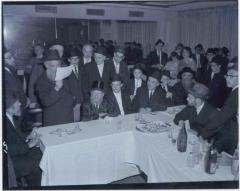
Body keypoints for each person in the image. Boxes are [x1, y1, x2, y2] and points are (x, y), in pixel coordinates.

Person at [193, 65, 238, 155]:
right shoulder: (234, 91)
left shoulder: (236, 94)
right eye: (227, 75)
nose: (227, 78)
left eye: (231, 76)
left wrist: (203, 134)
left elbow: (221, 118)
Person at [4, 93, 42, 187]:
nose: (20, 104)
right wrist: (29, 145)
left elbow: (14, 138)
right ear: (9, 108)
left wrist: (27, 136)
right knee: (36, 164)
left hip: (17, 154)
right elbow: (7, 149)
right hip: (9, 163)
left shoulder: (10, 117)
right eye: (17, 104)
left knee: (40, 153)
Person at [36, 49, 76, 126]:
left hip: (69, 119)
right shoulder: (41, 81)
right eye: (53, 66)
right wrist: (57, 88)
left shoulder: (64, 76)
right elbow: (45, 102)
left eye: (58, 65)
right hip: (53, 122)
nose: (57, 68)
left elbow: (72, 94)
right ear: (46, 65)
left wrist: (73, 99)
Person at [67, 48, 84, 122]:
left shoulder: (82, 69)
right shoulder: (65, 71)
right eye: (72, 59)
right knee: (75, 120)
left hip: (83, 99)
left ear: (79, 59)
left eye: (76, 59)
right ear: (69, 60)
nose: (75, 61)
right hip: (73, 100)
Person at [28, 44, 45, 108]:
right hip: (35, 88)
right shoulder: (32, 60)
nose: (36, 51)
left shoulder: (46, 59)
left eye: (38, 49)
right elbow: (27, 71)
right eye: (35, 50)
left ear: (42, 50)